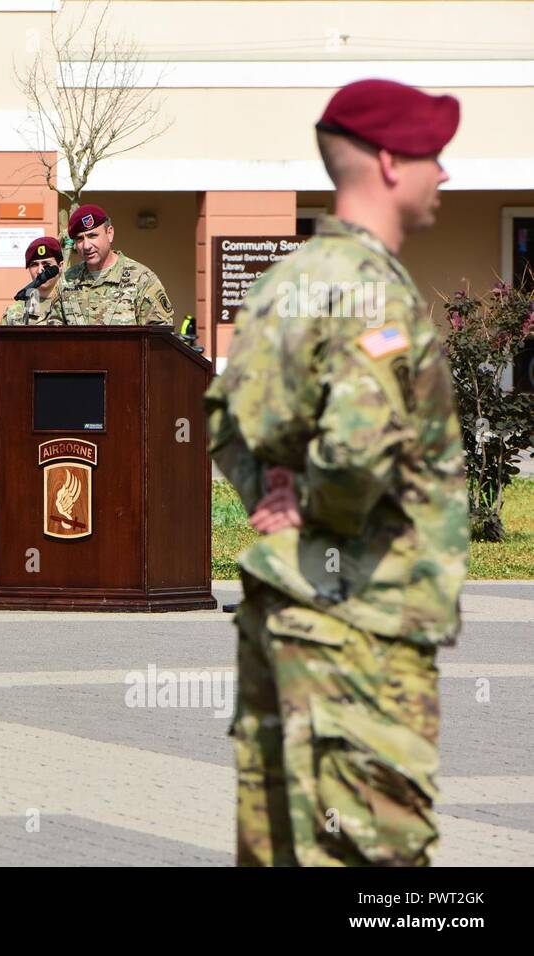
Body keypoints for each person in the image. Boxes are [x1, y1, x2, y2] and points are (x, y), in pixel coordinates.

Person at [204, 78, 470, 867]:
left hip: (280, 618)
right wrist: (320, 504)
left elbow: (222, 414)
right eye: (433, 156)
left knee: (284, 849)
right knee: (376, 867)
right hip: (360, 624)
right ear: (390, 162)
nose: (445, 176)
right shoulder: (372, 294)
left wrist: (271, 497)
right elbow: (358, 448)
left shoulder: (286, 281)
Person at [46, 204, 174, 326]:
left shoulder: (142, 280)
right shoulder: (67, 281)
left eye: (92, 236)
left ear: (109, 233)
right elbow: (55, 334)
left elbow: (161, 337)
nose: (86, 246)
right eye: (80, 239)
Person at [1, 236, 65, 325]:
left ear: (60, 266)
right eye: (34, 265)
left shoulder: (75, 304)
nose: (39, 271)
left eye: (46, 264)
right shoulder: (15, 313)